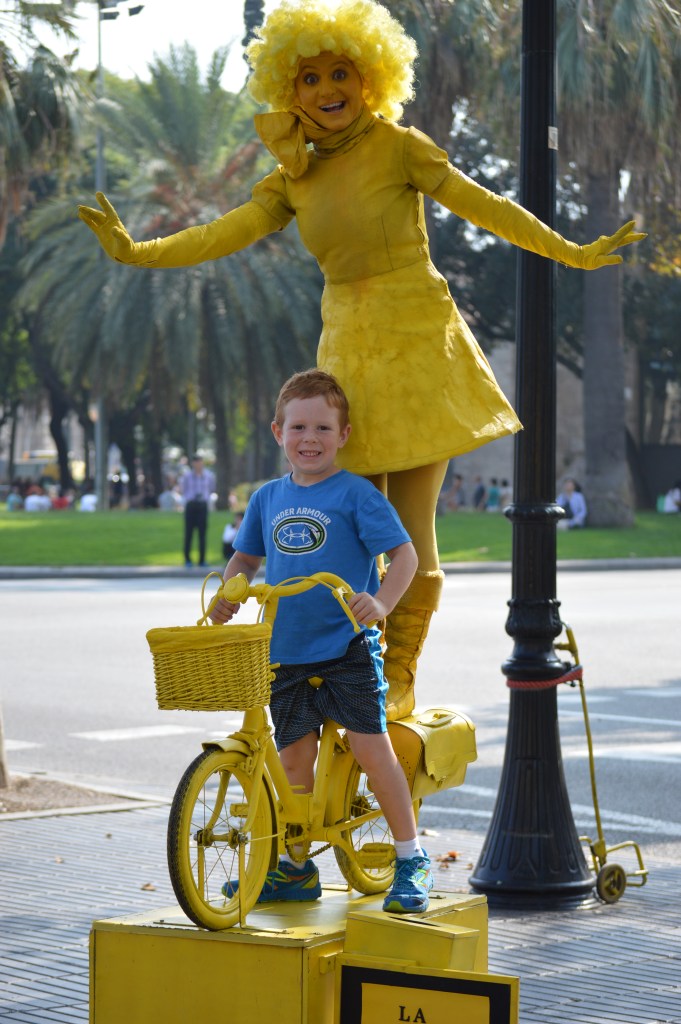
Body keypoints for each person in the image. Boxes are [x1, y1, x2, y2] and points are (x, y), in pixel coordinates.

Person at [78, 0, 644, 720]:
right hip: (345, 350)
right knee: (340, 524)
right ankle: (343, 670)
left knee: (408, 531)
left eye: (338, 72)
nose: (324, 90)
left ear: (368, 76)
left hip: (417, 347)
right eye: (308, 78)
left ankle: (399, 673)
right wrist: (137, 252)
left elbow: (486, 207)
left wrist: (570, 251)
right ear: (290, 89)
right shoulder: (293, 176)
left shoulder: (399, 144)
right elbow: (224, 232)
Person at [210, 368, 432, 913]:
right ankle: (294, 867)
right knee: (292, 766)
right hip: (283, 649)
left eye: (323, 428)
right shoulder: (266, 498)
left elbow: (405, 556)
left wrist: (380, 602)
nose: (310, 438)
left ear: (344, 435)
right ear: (277, 432)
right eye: (299, 427)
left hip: (347, 647)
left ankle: (410, 858)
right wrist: (230, 590)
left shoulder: (355, 494)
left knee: (372, 751)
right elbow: (246, 557)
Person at [181, 453, 216, 566]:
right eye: (196, 462)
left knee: (202, 533)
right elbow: (184, 489)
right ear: (193, 463)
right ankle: (187, 559)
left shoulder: (208, 476)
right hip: (191, 505)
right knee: (188, 533)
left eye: (200, 462)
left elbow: (211, 488)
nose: (198, 464)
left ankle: (202, 560)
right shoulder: (187, 476)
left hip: (202, 506)